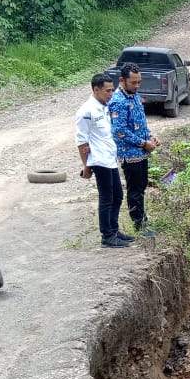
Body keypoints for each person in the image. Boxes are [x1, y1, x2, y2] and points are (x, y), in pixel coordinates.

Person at [75, 73, 133, 248]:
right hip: (99, 161)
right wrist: (86, 166)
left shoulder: (104, 107)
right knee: (107, 197)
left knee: (117, 195)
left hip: (109, 158)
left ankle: (114, 230)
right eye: (107, 91)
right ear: (96, 89)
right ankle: (107, 236)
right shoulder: (86, 111)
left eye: (112, 90)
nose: (111, 94)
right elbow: (82, 142)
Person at [109, 62, 159, 237]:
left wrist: (150, 137)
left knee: (142, 186)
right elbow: (119, 131)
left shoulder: (135, 96)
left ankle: (142, 219)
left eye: (139, 82)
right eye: (133, 82)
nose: (137, 86)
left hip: (141, 152)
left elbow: (140, 122)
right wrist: (143, 143)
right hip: (130, 155)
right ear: (122, 80)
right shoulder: (118, 101)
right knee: (135, 190)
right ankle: (139, 225)